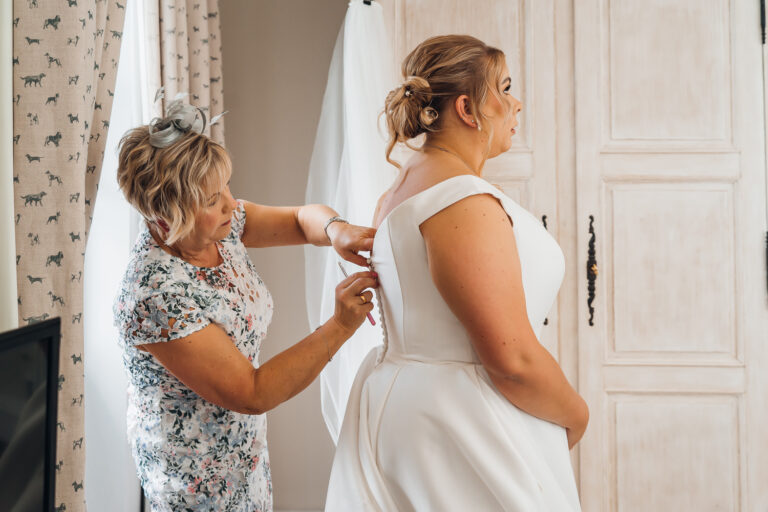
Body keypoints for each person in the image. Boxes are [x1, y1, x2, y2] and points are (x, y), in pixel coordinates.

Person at [325, 35, 588, 511]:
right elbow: (512, 360)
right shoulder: (460, 199)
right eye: (504, 89)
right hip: (460, 422)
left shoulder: (404, 187)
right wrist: (577, 414)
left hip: (412, 407)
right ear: (467, 108)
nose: (516, 103)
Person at [112, 96, 378, 511]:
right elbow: (252, 391)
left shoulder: (222, 227)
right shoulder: (154, 294)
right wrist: (340, 326)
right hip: (194, 480)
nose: (231, 204)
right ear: (166, 215)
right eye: (212, 198)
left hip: (243, 454)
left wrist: (337, 230)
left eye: (226, 188)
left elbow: (298, 221)